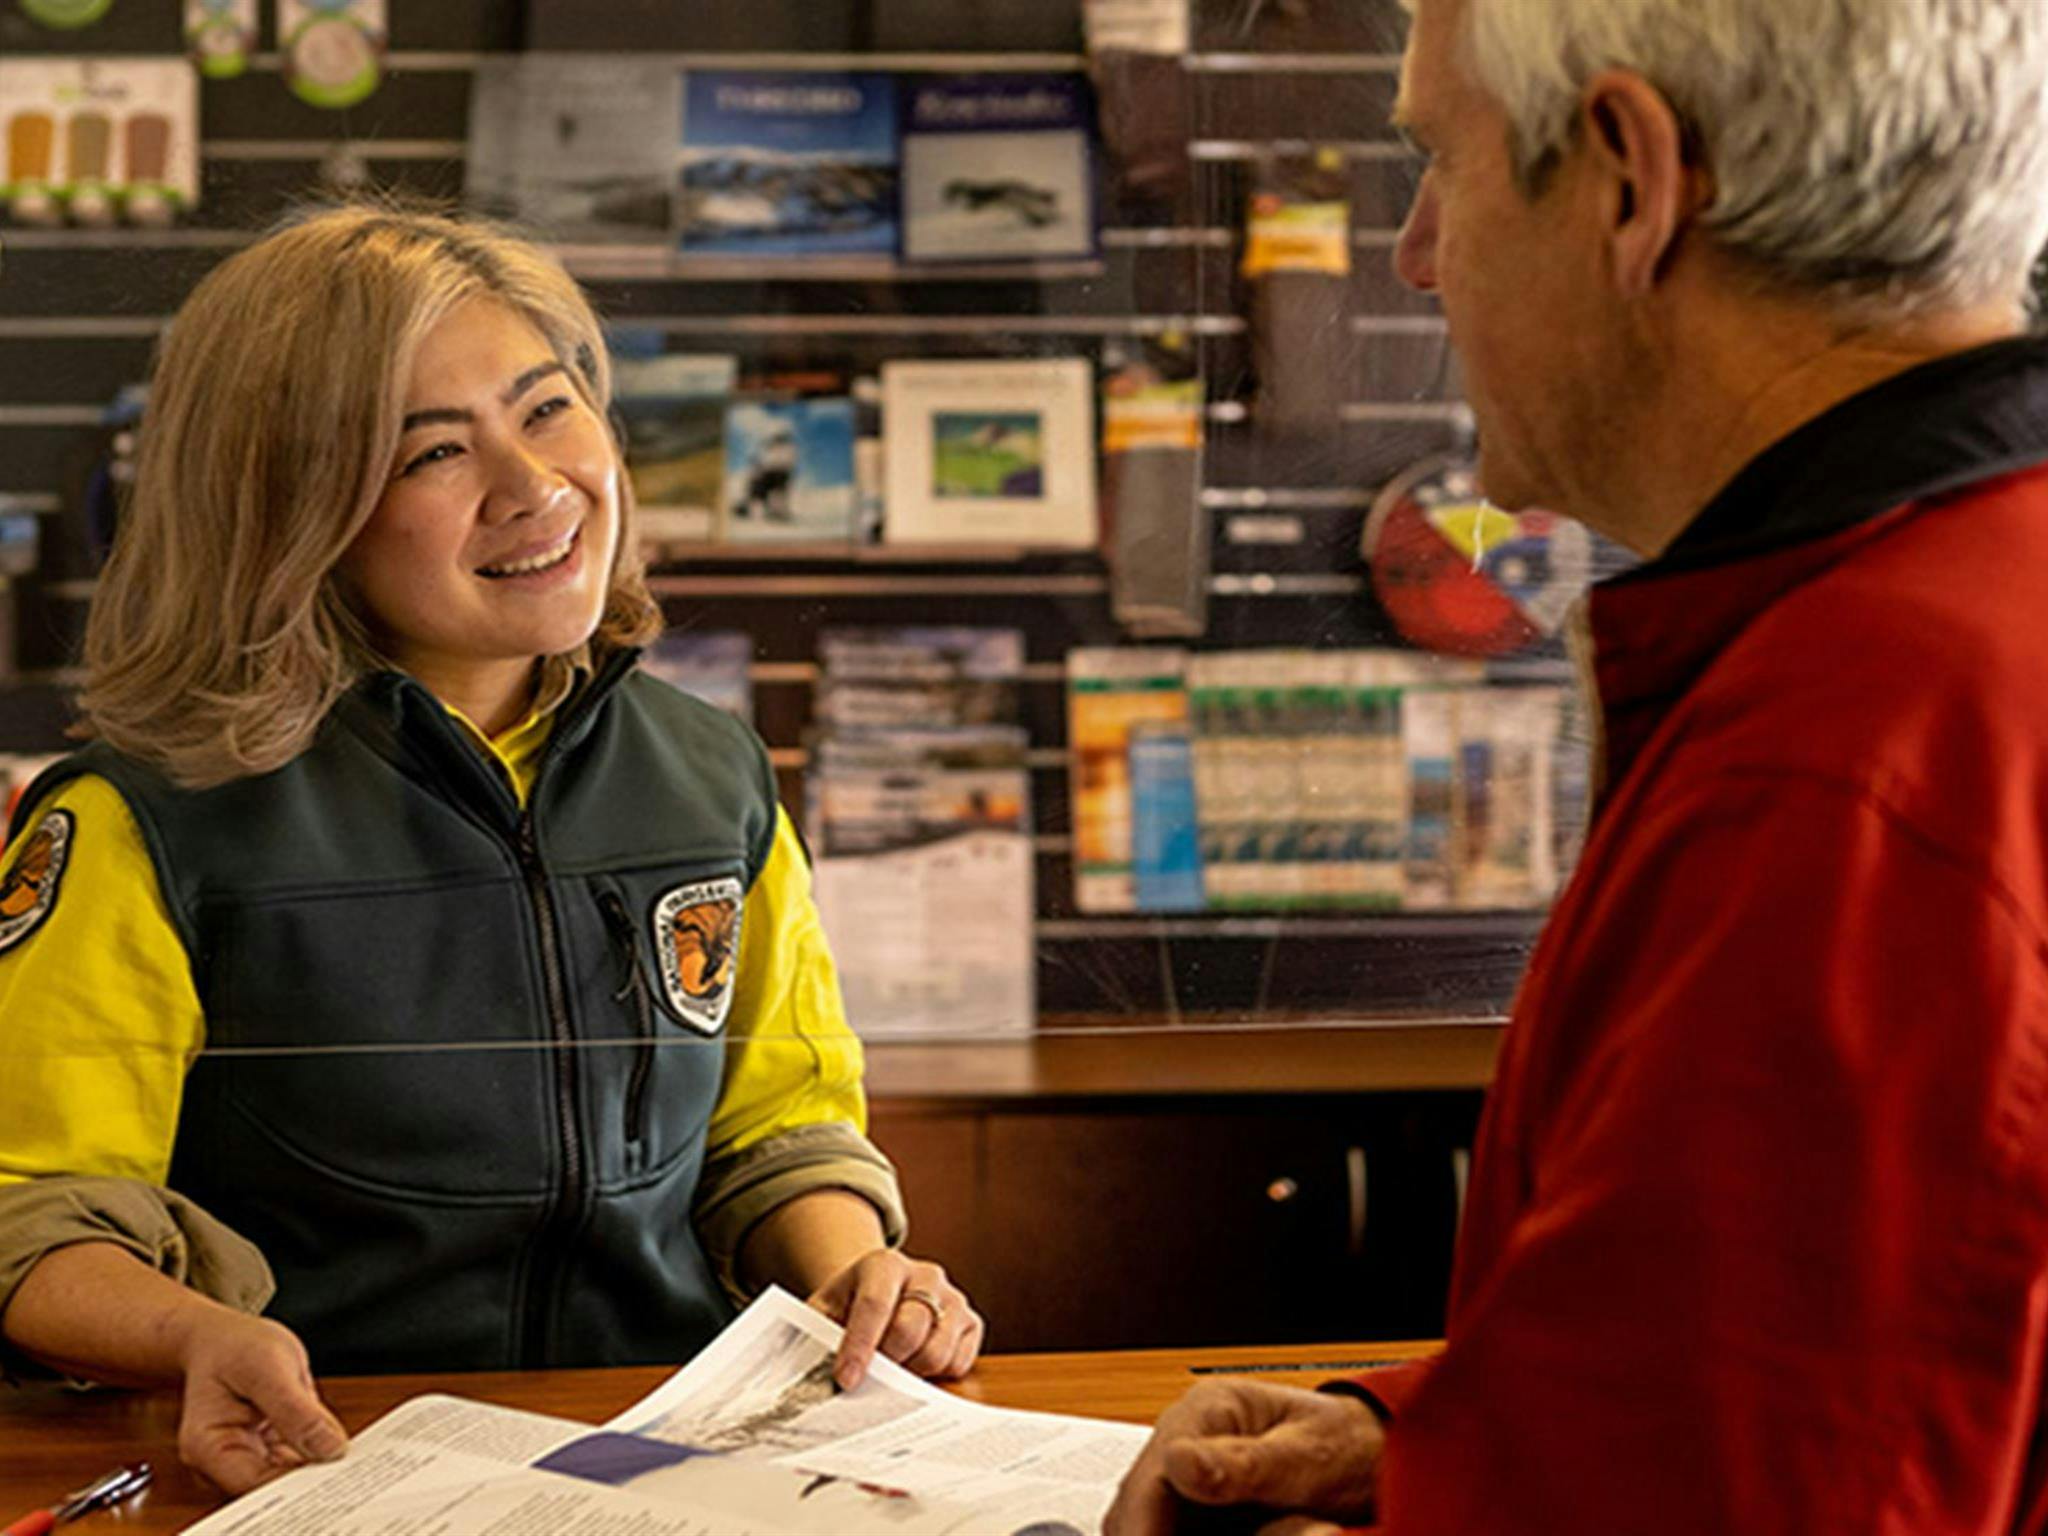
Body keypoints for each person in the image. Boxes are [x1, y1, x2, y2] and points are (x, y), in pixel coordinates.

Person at [1108, 0, 2048, 1529]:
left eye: (1441, 162)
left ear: (1628, 178)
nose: (1415, 253)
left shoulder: (1851, 773)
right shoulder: (1940, 626)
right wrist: (1435, 1429)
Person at [0, 205, 983, 1495]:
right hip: (318, 1467)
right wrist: (194, 1337)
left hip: (675, 1467)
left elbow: (776, 1132)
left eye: (550, 409)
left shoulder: (711, 771)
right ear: (290, 511)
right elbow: (34, 1219)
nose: (535, 486)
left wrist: (856, 1270)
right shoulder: (145, 819)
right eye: (432, 454)